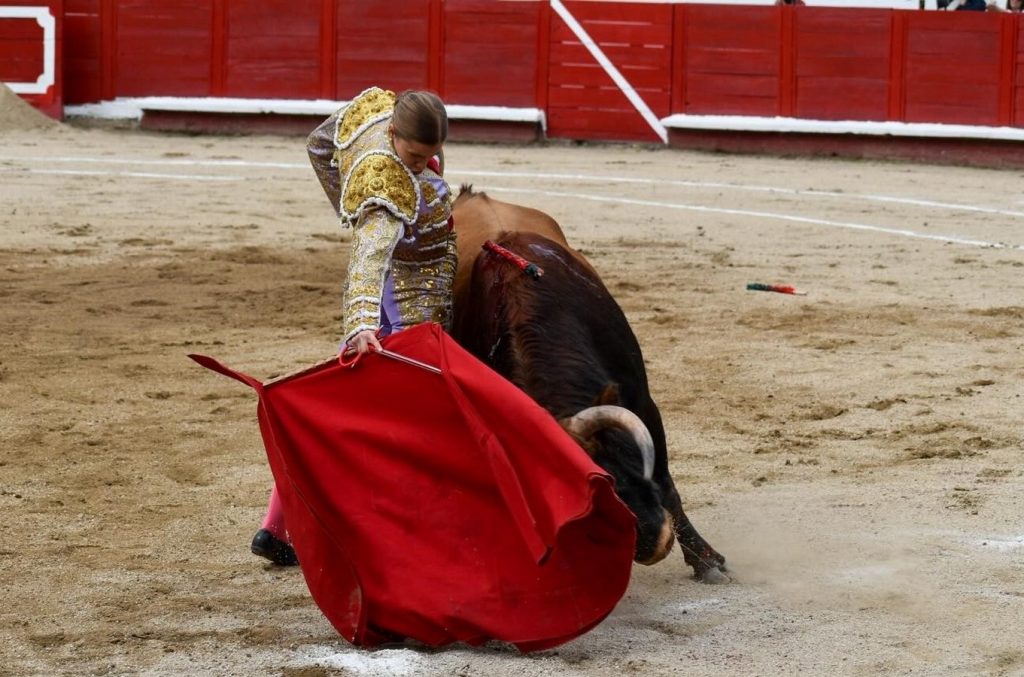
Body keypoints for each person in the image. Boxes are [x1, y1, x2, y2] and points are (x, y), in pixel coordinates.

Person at [249, 87, 457, 565]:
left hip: (397, 281)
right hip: (408, 291)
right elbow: (368, 260)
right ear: (393, 133)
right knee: (407, 412)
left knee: (345, 406)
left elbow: (319, 144)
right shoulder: (385, 191)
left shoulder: (375, 110)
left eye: (431, 154)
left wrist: (347, 201)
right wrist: (362, 322)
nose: (423, 163)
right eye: (415, 154)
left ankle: (276, 527)